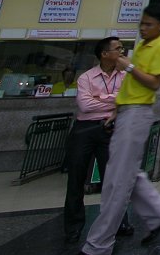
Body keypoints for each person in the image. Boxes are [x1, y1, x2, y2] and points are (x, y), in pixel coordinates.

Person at [78, 4, 160, 255]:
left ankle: (98, 244)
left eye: (149, 24)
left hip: (138, 113)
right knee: (124, 172)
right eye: (141, 23)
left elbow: (154, 83)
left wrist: (129, 67)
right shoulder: (142, 45)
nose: (143, 28)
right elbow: (131, 83)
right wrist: (116, 109)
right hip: (126, 111)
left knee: (117, 181)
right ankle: (159, 212)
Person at [63, 38, 132, 244]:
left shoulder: (125, 76)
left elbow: (129, 99)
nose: (122, 52)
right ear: (104, 54)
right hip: (84, 129)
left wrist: (102, 99)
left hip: (110, 129)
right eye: (118, 49)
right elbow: (84, 105)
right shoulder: (86, 77)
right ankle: (73, 226)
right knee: (76, 177)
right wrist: (114, 101)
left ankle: (119, 222)